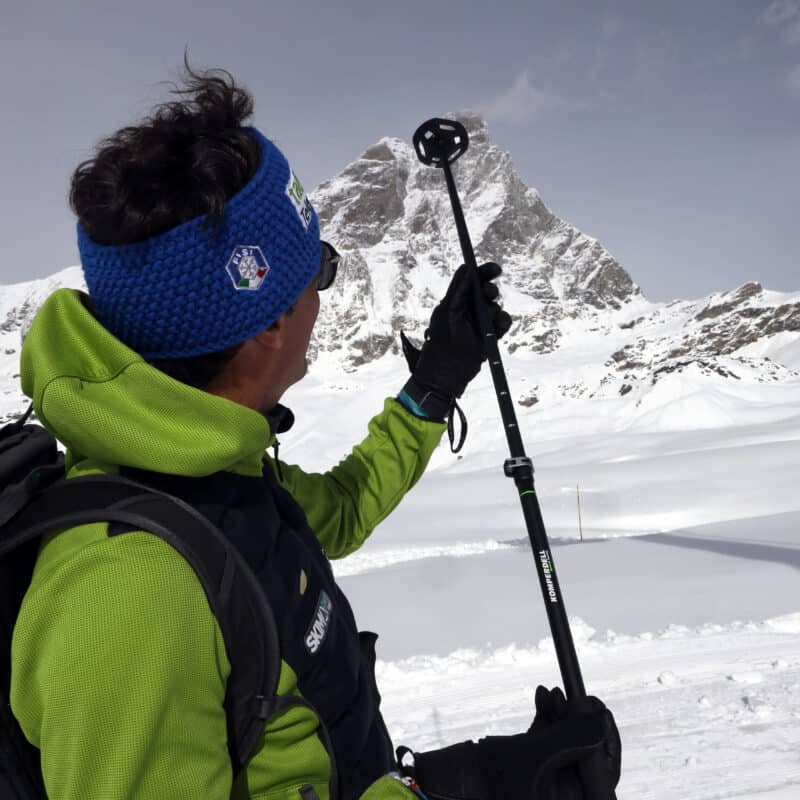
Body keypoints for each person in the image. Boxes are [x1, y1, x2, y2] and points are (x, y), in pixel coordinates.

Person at [10, 63, 620, 800]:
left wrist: (434, 385)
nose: (323, 303)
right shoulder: (132, 591)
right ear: (267, 319)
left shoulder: (212, 471)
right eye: (321, 273)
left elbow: (340, 509)